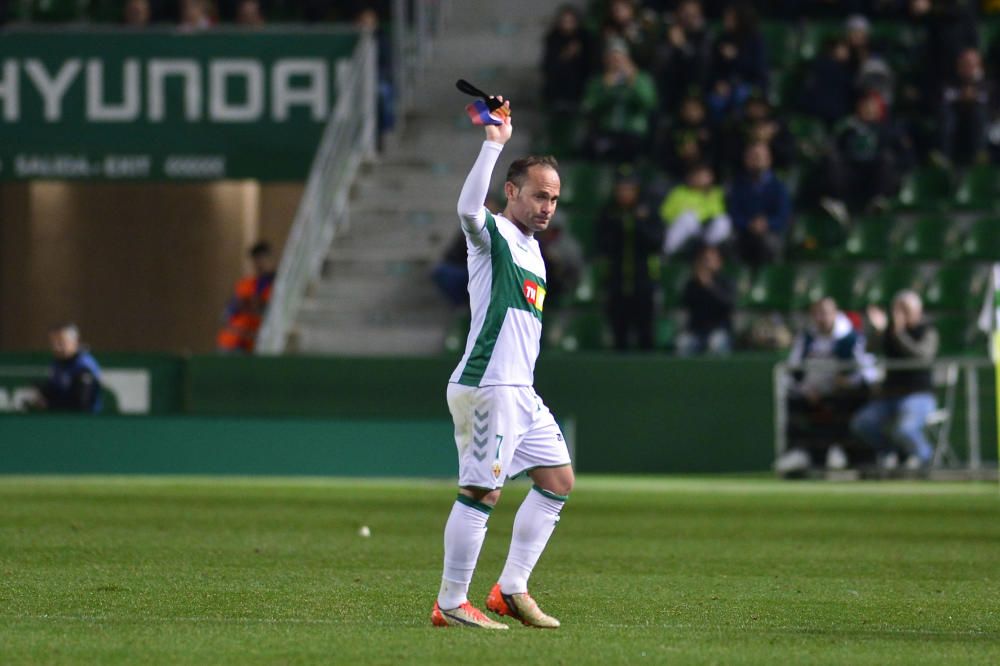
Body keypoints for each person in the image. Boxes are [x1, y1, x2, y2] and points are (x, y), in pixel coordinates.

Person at [431, 96, 573, 630]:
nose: (547, 207)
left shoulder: (535, 250)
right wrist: (493, 145)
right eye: (539, 195)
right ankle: (450, 601)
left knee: (557, 479)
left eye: (554, 199)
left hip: (521, 391)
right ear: (512, 192)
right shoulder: (492, 236)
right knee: (481, 491)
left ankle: (510, 588)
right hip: (489, 383)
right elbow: (468, 212)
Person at [776, 298, 873, 474]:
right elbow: (793, 370)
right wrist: (807, 390)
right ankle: (798, 453)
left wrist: (845, 383)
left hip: (841, 394)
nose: (822, 318)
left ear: (835, 314)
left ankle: (837, 451)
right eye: (818, 314)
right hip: (810, 394)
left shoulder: (851, 338)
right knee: (792, 403)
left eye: (826, 313)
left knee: (841, 406)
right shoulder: (806, 338)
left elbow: (863, 373)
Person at [851, 290, 940, 470]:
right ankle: (891, 453)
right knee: (862, 424)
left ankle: (924, 457)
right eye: (897, 310)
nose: (899, 315)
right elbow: (869, 348)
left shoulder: (927, 331)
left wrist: (899, 333)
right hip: (890, 396)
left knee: (905, 429)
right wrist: (878, 330)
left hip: (919, 396)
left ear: (918, 311)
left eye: (905, 310)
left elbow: (921, 356)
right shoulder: (888, 332)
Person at [596, 168, 663, 350]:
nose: (625, 192)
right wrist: (621, 224)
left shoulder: (648, 211)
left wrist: (637, 223)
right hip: (616, 284)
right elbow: (602, 244)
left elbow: (657, 242)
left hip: (644, 284)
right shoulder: (609, 212)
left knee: (646, 336)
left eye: (629, 188)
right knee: (619, 337)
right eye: (621, 188)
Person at [582, 39, 658, 162]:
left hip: (633, 132)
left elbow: (648, 103)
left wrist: (634, 82)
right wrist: (605, 89)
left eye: (619, 59)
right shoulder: (599, 82)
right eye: (612, 59)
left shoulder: (641, 79)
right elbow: (589, 106)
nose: (616, 63)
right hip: (606, 131)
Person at [726, 142, 790, 267]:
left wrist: (766, 223)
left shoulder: (778, 187)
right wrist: (749, 224)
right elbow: (733, 212)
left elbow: (783, 216)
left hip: (771, 232)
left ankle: (768, 279)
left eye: (759, 156)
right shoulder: (737, 185)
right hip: (743, 231)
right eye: (752, 156)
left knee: (767, 243)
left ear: (769, 159)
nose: (756, 160)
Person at [216, 241, 277, 353]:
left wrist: (256, 307)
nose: (259, 265)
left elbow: (272, 312)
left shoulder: (278, 286)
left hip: (254, 346)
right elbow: (226, 314)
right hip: (230, 343)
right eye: (255, 260)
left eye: (262, 259)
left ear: (270, 259)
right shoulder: (245, 285)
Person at [659, 162, 730, 256]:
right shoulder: (679, 192)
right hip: (683, 230)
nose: (702, 179)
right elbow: (665, 213)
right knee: (688, 217)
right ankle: (667, 255)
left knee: (723, 221)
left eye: (705, 176)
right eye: (698, 176)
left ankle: (707, 253)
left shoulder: (716, 193)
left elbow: (719, 212)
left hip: (706, 232)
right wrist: (685, 214)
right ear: (690, 177)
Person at [30, 323, 103, 414]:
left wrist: (50, 405)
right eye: (53, 342)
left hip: (85, 423)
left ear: (74, 342)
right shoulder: (58, 363)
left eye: (61, 342)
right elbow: (58, 391)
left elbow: (82, 404)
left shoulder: (84, 366)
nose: (56, 347)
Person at [676, 243, 733, 356]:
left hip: (719, 330)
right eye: (704, 260)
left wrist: (709, 286)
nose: (707, 264)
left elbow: (728, 305)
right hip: (696, 331)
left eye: (710, 260)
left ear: (719, 262)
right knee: (683, 343)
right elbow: (686, 302)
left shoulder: (726, 282)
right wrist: (698, 284)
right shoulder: (693, 283)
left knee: (715, 343)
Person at [939, 47, 992, 167]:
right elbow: (945, 97)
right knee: (946, 115)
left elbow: (989, 100)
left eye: (971, 64)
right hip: (956, 120)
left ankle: (979, 156)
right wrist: (962, 96)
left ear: (979, 66)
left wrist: (974, 94)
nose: (968, 67)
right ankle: (944, 158)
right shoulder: (951, 81)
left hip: (979, 122)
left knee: (979, 113)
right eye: (964, 64)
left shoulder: (988, 83)